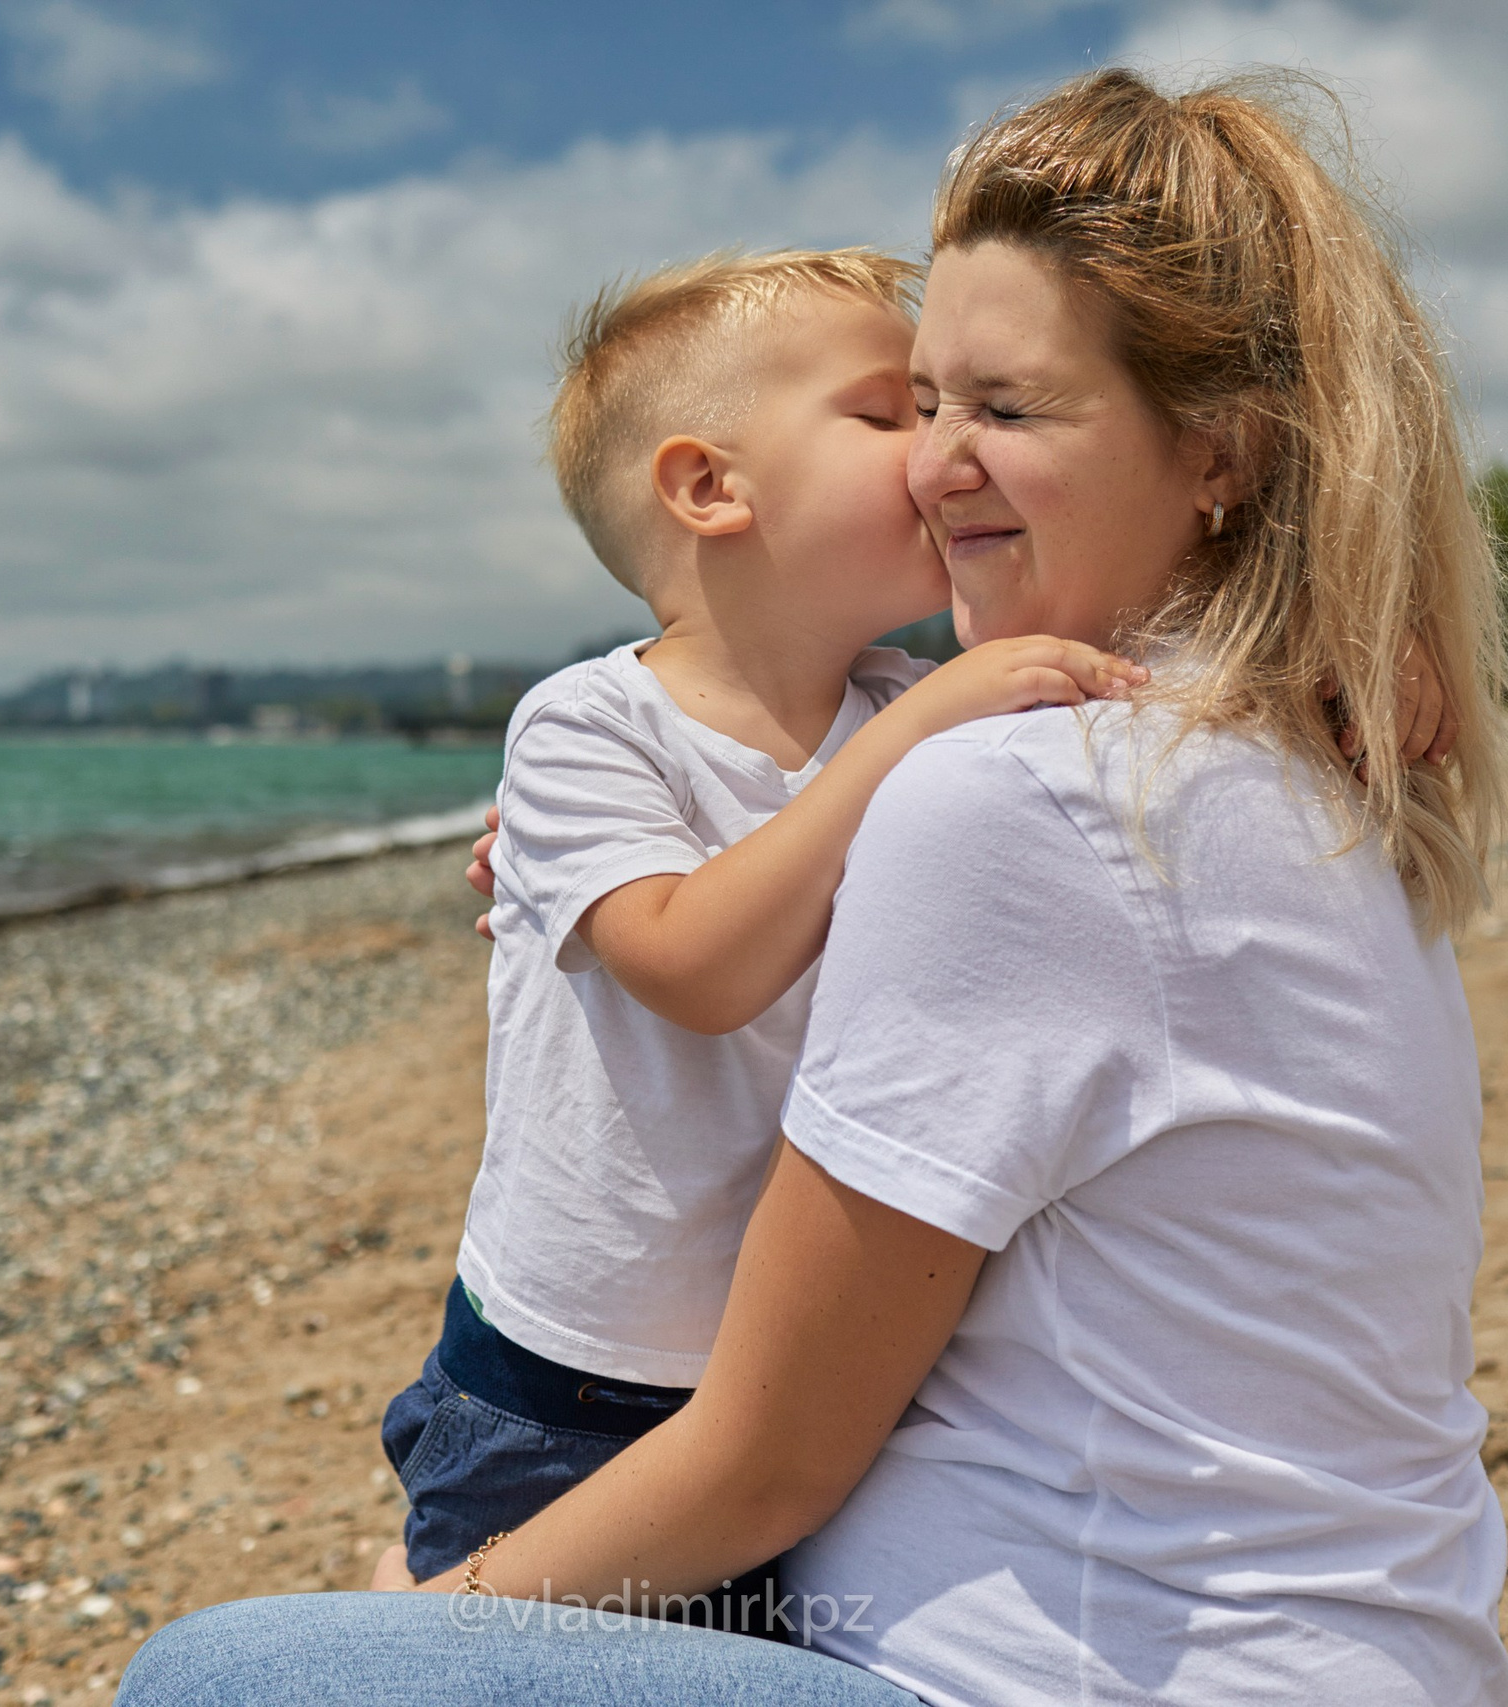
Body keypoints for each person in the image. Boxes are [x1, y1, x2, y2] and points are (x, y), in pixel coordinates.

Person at [123, 64, 1508, 1706]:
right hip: (612, 1404)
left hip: (1050, 1656)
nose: (932, 465)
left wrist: (434, 1621)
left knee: (215, 1683)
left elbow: (769, 1464)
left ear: (1219, 450)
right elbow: (710, 929)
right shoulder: (1253, 764)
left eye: (1003, 410)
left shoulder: (1015, 777)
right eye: (913, 406)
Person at [385, 248, 1149, 1597]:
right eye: (889, 412)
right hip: (566, 1388)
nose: (937, 453)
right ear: (708, 488)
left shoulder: (906, 704)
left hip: (804, 1374)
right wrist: (919, 728)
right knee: (513, 1669)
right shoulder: (590, 723)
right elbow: (694, 966)